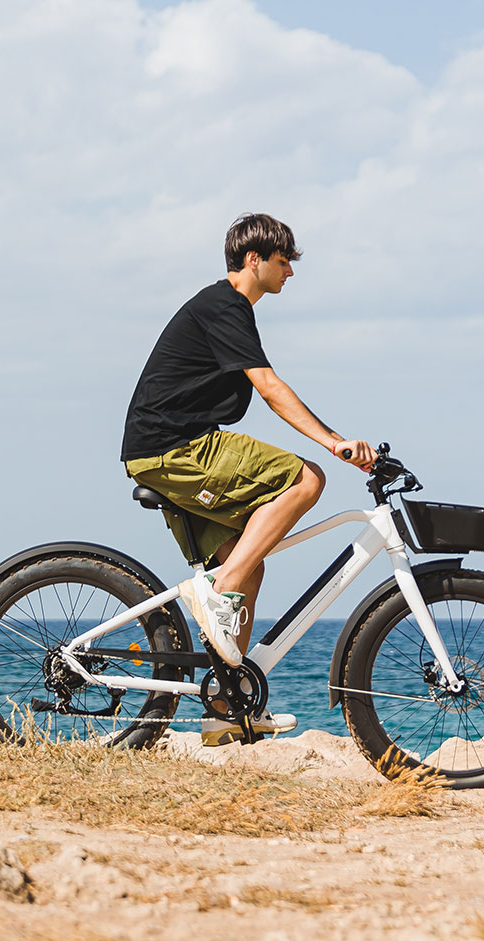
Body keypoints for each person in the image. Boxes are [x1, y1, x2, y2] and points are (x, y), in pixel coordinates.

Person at [119, 212, 375, 735]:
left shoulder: (229, 309)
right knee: (307, 478)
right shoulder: (225, 305)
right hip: (177, 447)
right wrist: (332, 442)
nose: (291, 272)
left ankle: (227, 710)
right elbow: (269, 386)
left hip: (162, 448)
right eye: (284, 262)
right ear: (253, 260)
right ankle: (221, 588)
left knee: (249, 566)